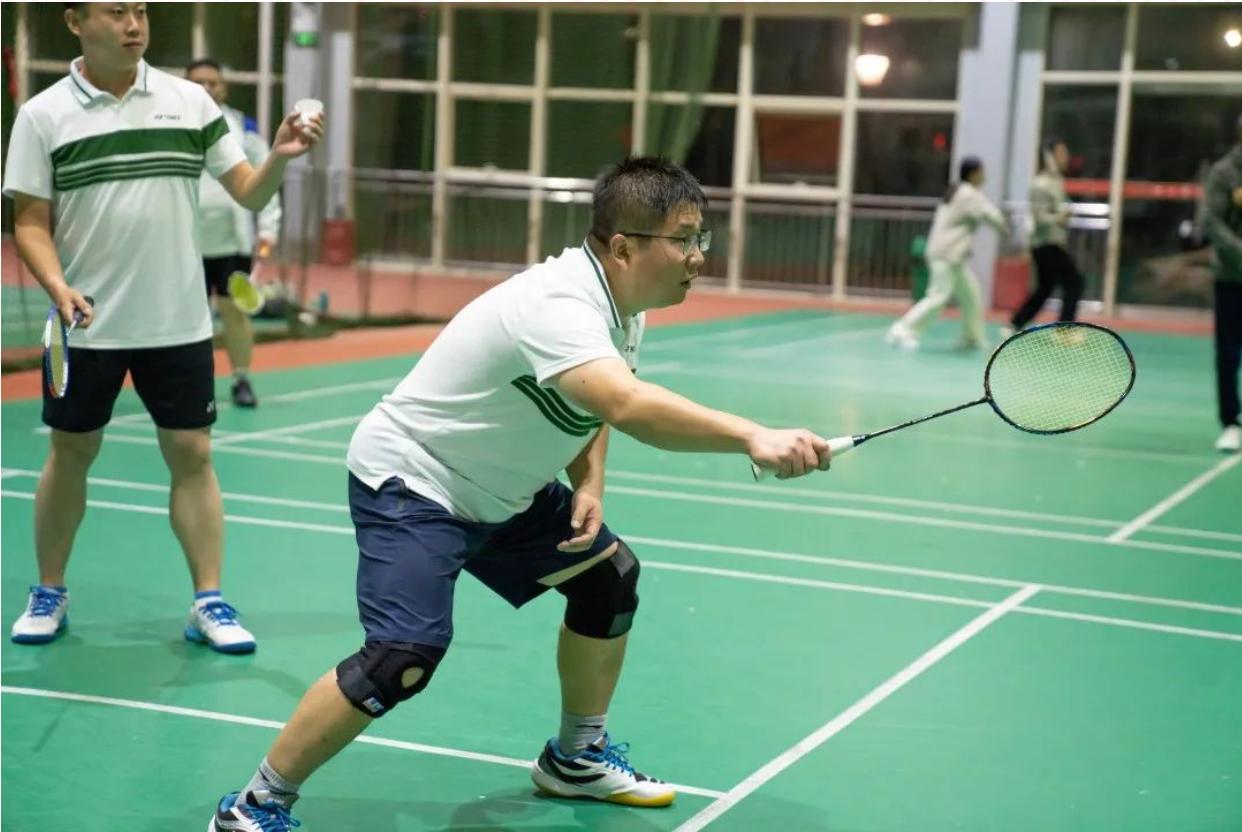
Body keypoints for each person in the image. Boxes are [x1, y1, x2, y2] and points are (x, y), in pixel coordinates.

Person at [208, 157, 831, 831]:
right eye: (683, 239)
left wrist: (588, 482)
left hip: (501, 490)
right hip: (416, 480)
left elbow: (595, 398)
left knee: (608, 580)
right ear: (624, 247)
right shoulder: (559, 305)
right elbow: (625, 403)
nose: (698, 256)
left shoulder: (623, 305)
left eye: (700, 237)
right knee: (402, 656)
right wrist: (752, 436)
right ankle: (254, 805)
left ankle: (575, 758)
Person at [3, 3, 324, 652]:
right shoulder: (42, 115)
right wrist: (57, 286)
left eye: (142, 11)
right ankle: (50, 590)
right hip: (87, 323)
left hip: (177, 322)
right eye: (116, 11)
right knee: (71, 453)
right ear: (75, 21)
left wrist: (280, 157)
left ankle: (209, 600)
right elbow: (29, 221)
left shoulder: (189, 103)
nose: (134, 24)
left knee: (193, 455)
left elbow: (248, 191)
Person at [188, 57, 283, 408]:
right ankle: (192, 384)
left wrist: (269, 228)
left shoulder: (243, 127)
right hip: (185, 241)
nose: (205, 88)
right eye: (197, 82)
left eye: (212, 82)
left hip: (233, 242)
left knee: (234, 314)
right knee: (188, 319)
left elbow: (265, 175)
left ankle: (241, 378)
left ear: (223, 88)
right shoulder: (171, 127)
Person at [886, 156, 1008, 351]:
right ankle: (901, 331)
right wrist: (1006, 227)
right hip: (946, 255)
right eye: (982, 171)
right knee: (938, 296)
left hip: (952, 257)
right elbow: (991, 216)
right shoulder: (968, 194)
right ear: (974, 174)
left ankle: (972, 337)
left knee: (971, 295)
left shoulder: (959, 191)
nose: (985, 175)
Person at [1006, 138, 1085, 335]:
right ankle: (1064, 329)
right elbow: (1040, 218)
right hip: (1044, 245)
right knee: (1074, 282)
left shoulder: (1056, 182)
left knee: (1045, 288)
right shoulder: (1040, 184)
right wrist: (1060, 217)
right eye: (1061, 153)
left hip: (1053, 243)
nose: (1065, 157)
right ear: (1049, 156)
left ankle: (1015, 323)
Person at [1204, 113, 1242, 453]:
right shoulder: (1223, 173)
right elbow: (1212, 222)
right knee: (1229, 352)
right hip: (1232, 276)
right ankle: (1231, 422)